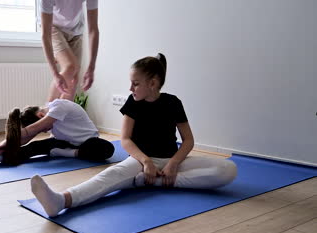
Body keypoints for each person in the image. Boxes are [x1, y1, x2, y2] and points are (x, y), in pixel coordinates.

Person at [29, 53, 238, 217]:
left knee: (227, 169)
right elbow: (126, 140)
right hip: (140, 162)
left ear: (153, 83)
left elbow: (188, 140)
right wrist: (146, 162)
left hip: (170, 161)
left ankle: (153, 182)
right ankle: (61, 200)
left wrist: (173, 164)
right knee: (109, 176)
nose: (131, 88)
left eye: (135, 83)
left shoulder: (173, 103)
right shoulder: (132, 103)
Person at [0, 98, 114, 166]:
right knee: (34, 147)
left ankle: (68, 153)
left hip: (89, 143)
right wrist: (0, 147)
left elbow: (32, 129)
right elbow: (26, 138)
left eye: (42, 127)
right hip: (65, 143)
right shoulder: (43, 118)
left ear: (40, 116)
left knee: (107, 149)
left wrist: (13, 133)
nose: (44, 130)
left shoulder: (59, 106)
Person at [39, 0, 99, 101]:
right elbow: (46, 36)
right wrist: (55, 74)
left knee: (73, 81)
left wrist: (91, 68)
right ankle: (45, 113)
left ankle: (60, 116)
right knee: (70, 66)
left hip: (76, 31)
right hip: (53, 27)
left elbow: (93, 30)